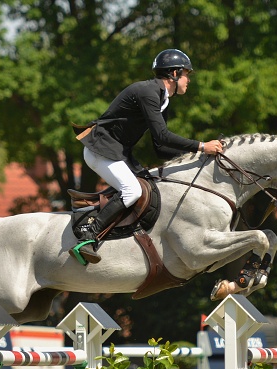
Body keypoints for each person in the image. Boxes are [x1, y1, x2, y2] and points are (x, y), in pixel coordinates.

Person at [71, 49, 224, 263]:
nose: (189, 80)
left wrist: (199, 157)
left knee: (151, 187)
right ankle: (89, 237)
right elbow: (162, 136)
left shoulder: (162, 99)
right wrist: (201, 146)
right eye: (187, 74)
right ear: (174, 73)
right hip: (101, 149)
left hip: (117, 153)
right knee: (132, 190)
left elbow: (160, 147)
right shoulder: (148, 92)